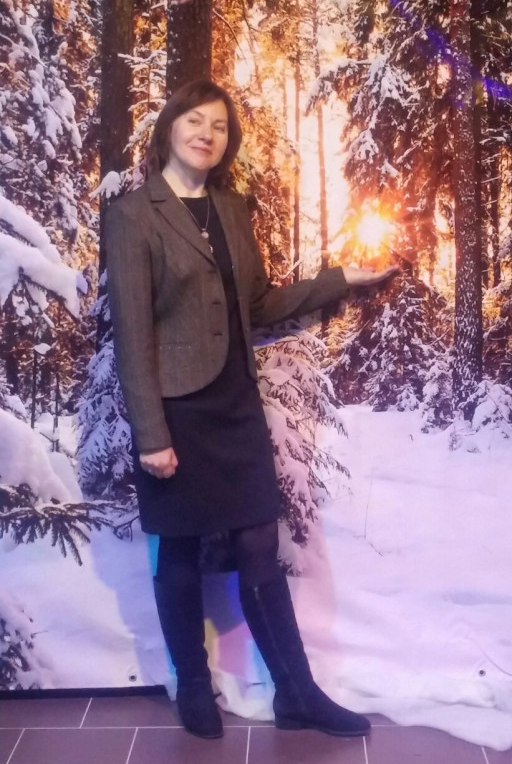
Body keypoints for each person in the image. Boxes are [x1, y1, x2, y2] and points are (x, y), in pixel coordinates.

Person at [106, 80, 397, 740]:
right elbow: (133, 333)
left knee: (260, 545)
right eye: (194, 120)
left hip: (235, 404)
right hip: (177, 409)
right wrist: (150, 432)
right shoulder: (133, 214)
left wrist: (338, 281)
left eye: (219, 126)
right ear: (170, 128)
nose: (206, 134)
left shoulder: (232, 209)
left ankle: (296, 693)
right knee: (179, 547)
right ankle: (192, 685)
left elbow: (258, 305)